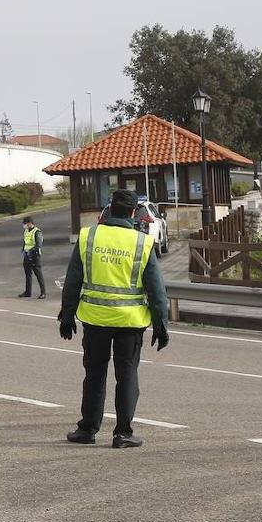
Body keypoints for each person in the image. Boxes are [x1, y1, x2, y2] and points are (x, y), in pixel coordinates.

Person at [58, 188, 169, 449]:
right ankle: (123, 433)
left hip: (95, 320)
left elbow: (73, 279)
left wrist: (67, 315)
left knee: (94, 374)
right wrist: (161, 324)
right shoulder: (141, 242)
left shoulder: (89, 236)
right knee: (127, 375)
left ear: (109, 209)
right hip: (130, 323)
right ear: (134, 212)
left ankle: (87, 429)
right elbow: (156, 289)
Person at [18, 216, 46, 299]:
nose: (24, 225)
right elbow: (25, 241)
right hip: (26, 255)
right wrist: (23, 249)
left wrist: (31, 251)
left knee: (38, 274)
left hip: (35, 256)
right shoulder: (26, 231)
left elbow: (38, 245)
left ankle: (43, 293)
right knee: (28, 275)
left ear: (30, 223)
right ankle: (28, 292)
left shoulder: (37, 232)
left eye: (25, 224)